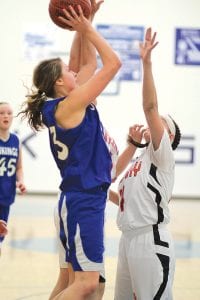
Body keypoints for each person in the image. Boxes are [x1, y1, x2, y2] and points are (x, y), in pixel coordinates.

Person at [19, 3, 121, 299]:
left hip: (79, 197)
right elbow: (112, 64)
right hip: (83, 199)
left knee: (74, 284)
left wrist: (87, 19)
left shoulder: (65, 103)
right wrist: (87, 28)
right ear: (60, 82)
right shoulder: (70, 105)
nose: (75, 70)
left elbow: (87, 64)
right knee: (86, 284)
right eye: (68, 70)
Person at [109, 28, 181, 300]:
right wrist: (98, 189)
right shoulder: (140, 160)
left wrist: (146, 63)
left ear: (168, 135)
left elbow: (150, 107)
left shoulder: (162, 155)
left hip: (151, 240)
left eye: (161, 122)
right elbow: (125, 200)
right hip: (127, 239)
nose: (153, 120)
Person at [0, 102, 26, 255]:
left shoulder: (15, 141)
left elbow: (19, 167)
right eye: (2, 113)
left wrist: (21, 181)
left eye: (9, 113)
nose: (6, 116)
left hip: (6, 197)